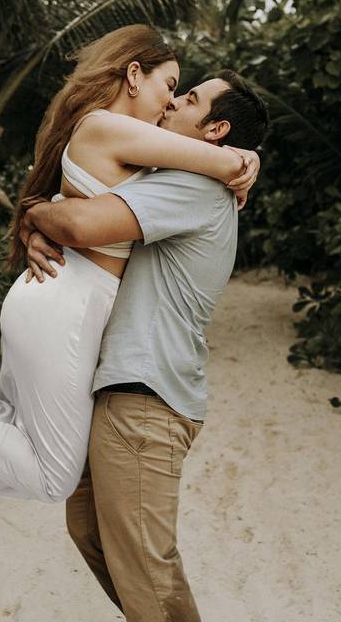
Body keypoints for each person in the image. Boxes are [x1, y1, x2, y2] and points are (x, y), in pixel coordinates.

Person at [0, 24, 260, 504]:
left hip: (52, 298)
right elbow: (223, 165)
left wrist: (31, 215)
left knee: (13, 424)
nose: (170, 103)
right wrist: (245, 161)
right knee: (53, 478)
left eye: (181, 96)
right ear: (133, 76)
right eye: (170, 87)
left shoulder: (118, 137)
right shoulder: (109, 126)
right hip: (68, 307)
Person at [21, 69, 269, 621]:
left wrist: (34, 213)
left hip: (145, 400)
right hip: (127, 393)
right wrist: (44, 225)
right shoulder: (182, 175)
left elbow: (82, 223)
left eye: (192, 97)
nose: (175, 100)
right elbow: (84, 213)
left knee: (145, 568)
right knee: (88, 528)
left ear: (216, 129)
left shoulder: (194, 186)